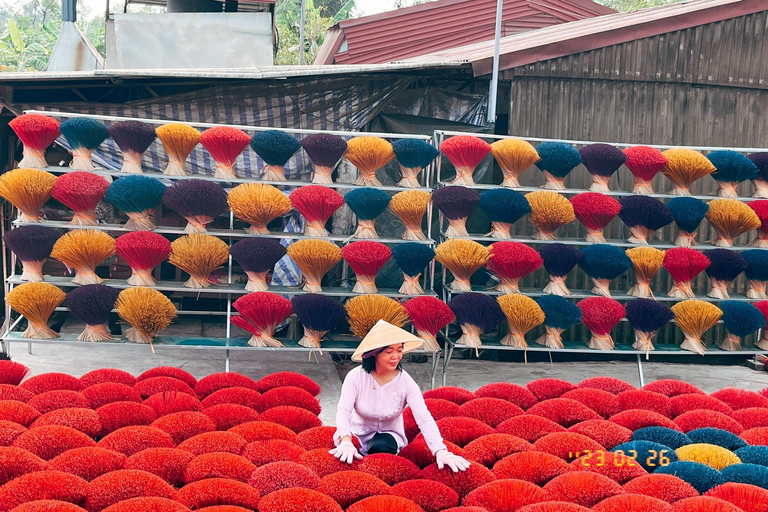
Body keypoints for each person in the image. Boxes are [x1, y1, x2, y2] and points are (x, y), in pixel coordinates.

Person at [330, 320, 471, 472]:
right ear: (374, 353)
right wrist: (345, 440)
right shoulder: (356, 377)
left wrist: (441, 451)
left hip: (387, 439)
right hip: (356, 434)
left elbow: (423, 418)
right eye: (389, 351)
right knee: (343, 460)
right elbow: (343, 410)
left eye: (399, 350)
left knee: (380, 448)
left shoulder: (405, 382)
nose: (396, 357)